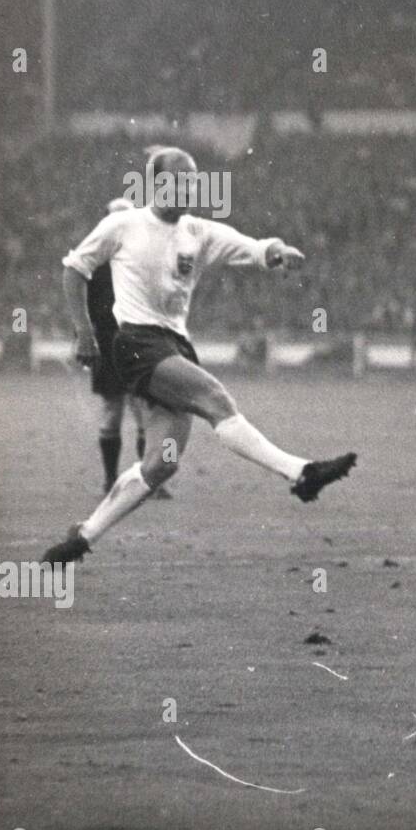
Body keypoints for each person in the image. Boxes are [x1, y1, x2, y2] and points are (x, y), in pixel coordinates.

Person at [43, 147, 356, 565]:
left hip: (174, 344)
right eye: (175, 181)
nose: (185, 189)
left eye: (191, 182)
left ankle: (81, 538)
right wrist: (85, 333)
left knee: (161, 464)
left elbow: (251, 246)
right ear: (154, 184)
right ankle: (302, 473)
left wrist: (277, 251)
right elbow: (74, 268)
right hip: (136, 342)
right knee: (216, 399)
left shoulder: (198, 232)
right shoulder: (123, 225)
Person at [85, 197, 169, 498]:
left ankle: (147, 481)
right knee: (114, 410)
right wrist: (85, 336)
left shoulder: (143, 259)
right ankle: (111, 481)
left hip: (138, 343)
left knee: (144, 411)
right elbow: (86, 305)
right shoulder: (94, 261)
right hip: (109, 345)